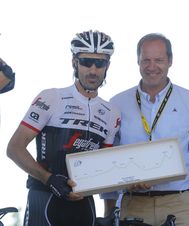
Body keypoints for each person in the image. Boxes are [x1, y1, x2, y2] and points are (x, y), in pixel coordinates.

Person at [100, 33, 189, 226]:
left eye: (159, 60)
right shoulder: (117, 103)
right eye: (146, 60)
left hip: (180, 205)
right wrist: (108, 211)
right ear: (137, 61)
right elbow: (109, 158)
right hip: (133, 204)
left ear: (170, 61)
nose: (151, 66)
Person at [6, 30, 121, 226]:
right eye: (86, 62)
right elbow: (14, 148)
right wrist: (48, 179)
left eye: (99, 63)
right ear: (74, 62)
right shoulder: (52, 98)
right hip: (44, 198)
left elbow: (104, 165)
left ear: (107, 66)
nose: (93, 70)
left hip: (84, 205)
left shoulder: (112, 113)